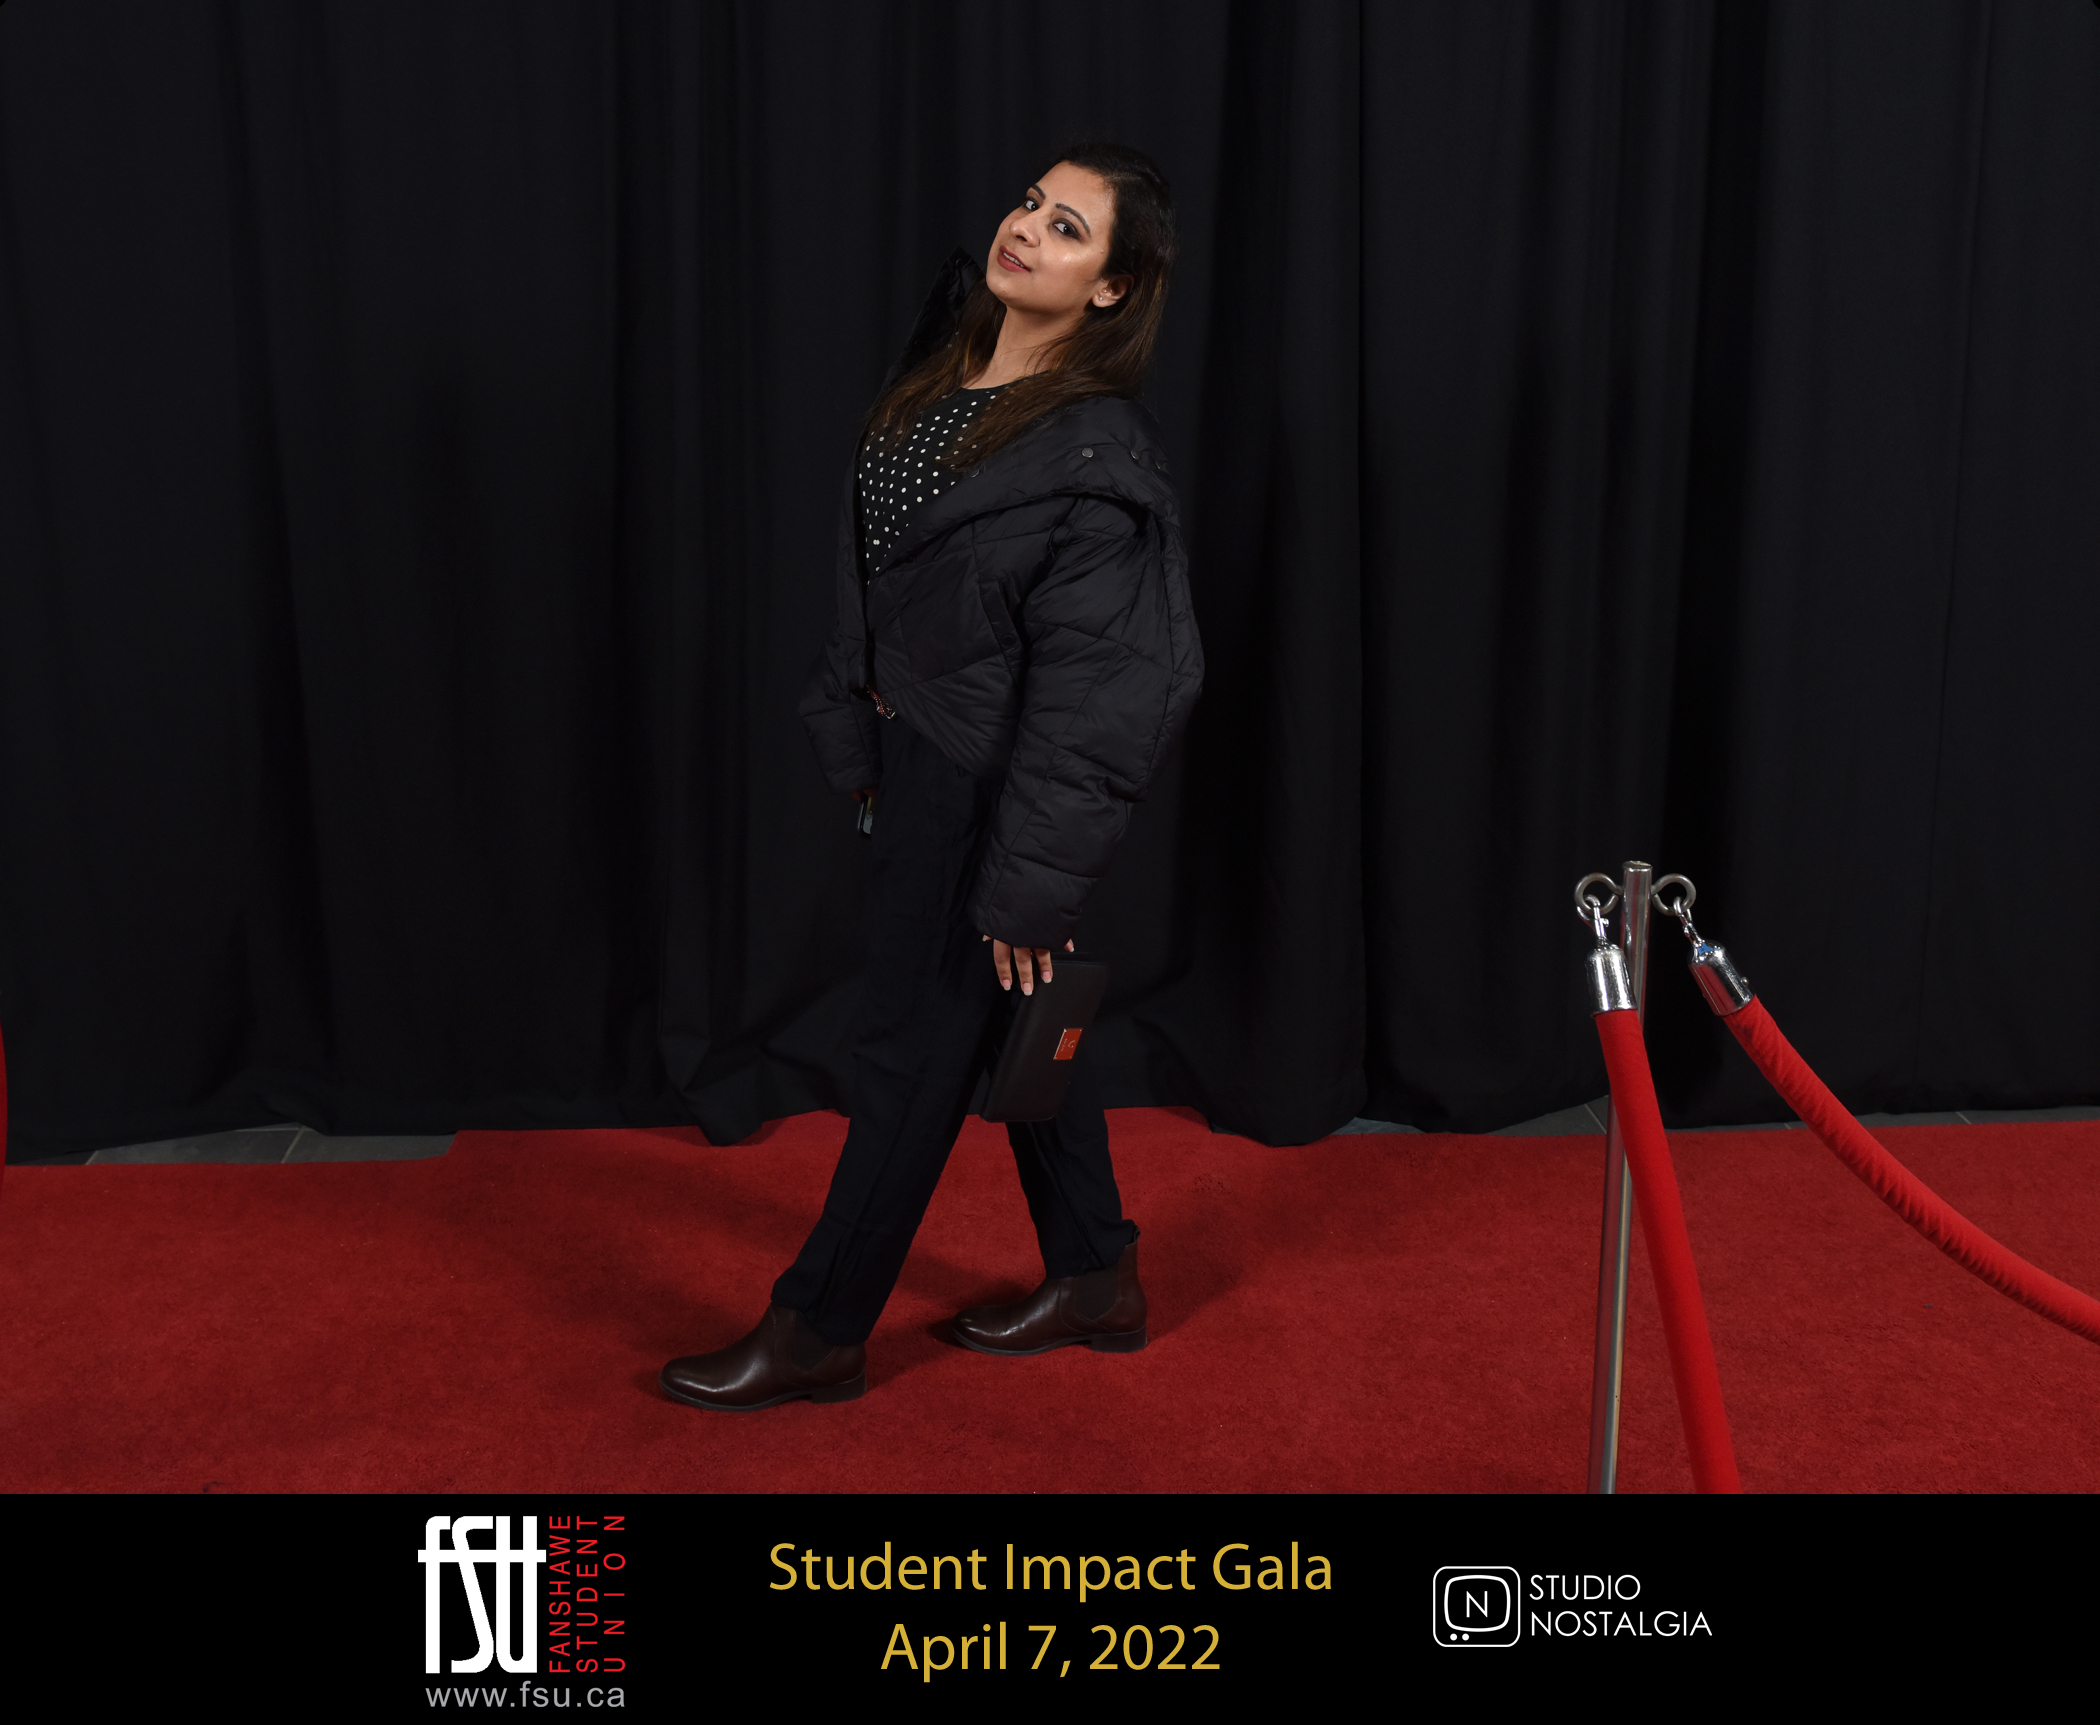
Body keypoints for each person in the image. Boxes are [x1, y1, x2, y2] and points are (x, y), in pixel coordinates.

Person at [661, 142, 1202, 1411]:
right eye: (1031, 202)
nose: (1027, 228)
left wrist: (1030, 880)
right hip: (917, 761)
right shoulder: (946, 370)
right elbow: (882, 578)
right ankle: (1098, 1276)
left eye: (1067, 228)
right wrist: (862, 736)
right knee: (1017, 1018)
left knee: (913, 1050)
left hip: (988, 789)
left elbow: (1109, 689)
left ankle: (819, 1330)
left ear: (1112, 287)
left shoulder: (1097, 454)